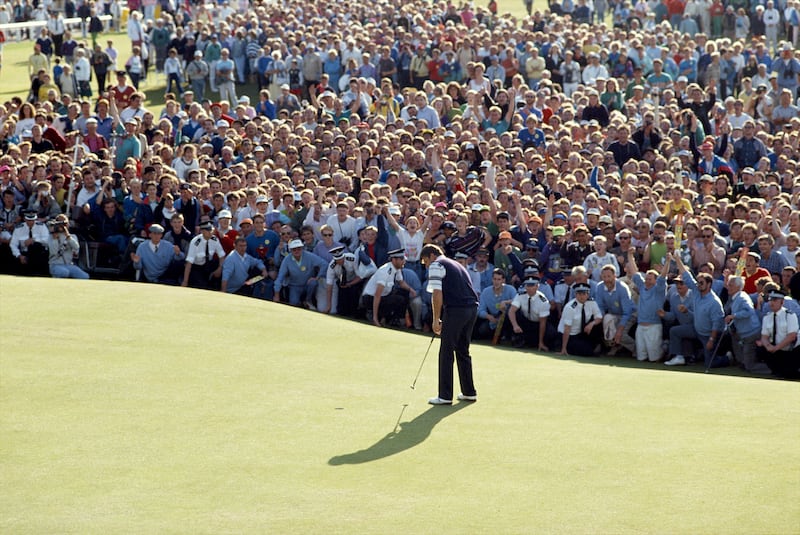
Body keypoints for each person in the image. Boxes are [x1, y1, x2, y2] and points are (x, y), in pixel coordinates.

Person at [421, 244, 479, 405]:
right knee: (462, 350)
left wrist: (435, 319)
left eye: (425, 261)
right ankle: (469, 392)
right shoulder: (455, 264)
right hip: (471, 308)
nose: (426, 265)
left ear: (432, 256)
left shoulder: (436, 265)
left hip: (457, 309)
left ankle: (445, 395)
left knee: (446, 351)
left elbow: (437, 293)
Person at [724, 275, 770, 374]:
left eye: (731, 285)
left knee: (750, 366)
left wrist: (734, 316)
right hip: (745, 333)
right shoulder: (736, 297)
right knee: (741, 357)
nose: (728, 287)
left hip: (751, 334)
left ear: (737, 287)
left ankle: (773, 369)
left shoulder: (741, 298)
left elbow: (749, 311)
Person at [361, 247, 417, 326]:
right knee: (397, 299)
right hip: (370, 298)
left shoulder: (397, 269)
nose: (404, 261)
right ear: (394, 260)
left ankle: (396, 320)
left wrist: (411, 290)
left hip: (383, 296)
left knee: (404, 293)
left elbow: (401, 282)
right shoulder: (385, 271)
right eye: (401, 259)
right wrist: (375, 318)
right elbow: (377, 295)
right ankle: (375, 316)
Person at [757, 290, 800, 378]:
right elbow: (764, 336)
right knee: (761, 350)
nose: (771, 303)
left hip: (791, 350)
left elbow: (792, 336)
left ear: (782, 302)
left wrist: (776, 348)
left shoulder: (790, 315)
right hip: (776, 350)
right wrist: (768, 345)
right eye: (770, 300)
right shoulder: (767, 317)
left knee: (789, 374)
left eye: (775, 300)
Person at [322, 244, 375, 317]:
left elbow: (360, 276)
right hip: (342, 282)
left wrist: (350, 284)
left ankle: (354, 314)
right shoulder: (332, 266)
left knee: (353, 300)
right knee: (341, 305)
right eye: (337, 260)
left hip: (355, 281)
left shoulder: (352, 259)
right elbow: (329, 286)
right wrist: (328, 305)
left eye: (341, 259)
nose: (340, 261)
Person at [508, 275, 557, 350]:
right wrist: (515, 325)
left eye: (532, 286)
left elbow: (542, 323)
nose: (529, 288)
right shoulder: (520, 295)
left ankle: (539, 342)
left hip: (537, 324)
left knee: (551, 332)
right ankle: (515, 337)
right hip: (525, 322)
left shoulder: (543, 301)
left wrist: (540, 342)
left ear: (537, 286)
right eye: (527, 286)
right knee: (510, 312)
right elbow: (511, 311)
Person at [182, 221, 226, 289]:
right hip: (197, 268)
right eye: (208, 230)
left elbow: (222, 256)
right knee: (202, 286)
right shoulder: (196, 242)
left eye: (211, 230)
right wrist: (185, 282)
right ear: (202, 231)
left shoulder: (215, 239)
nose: (210, 232)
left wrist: (220, 268)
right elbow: (189, 263)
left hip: (209, 266)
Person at [47, 215, 89, 279]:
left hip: (69, 264)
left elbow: (76, 249)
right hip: (55, 265)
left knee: (85, 276)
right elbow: (53, 252)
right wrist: (55, 239)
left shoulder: (73, 236)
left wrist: (68, 237)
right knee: (64, 272)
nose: (63, 226)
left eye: (65, 223)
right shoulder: (51, 237)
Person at [10, 210, 51, 276]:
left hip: (38, 255)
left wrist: (34, 240)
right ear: (24, 219)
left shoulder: (41, 226)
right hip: (24, 254)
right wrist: (19, 256)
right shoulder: (19, 228)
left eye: (33, 220)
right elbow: (13, 244)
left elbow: (47, 240)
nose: (31, 222)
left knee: (36, 246)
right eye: (29, 220)